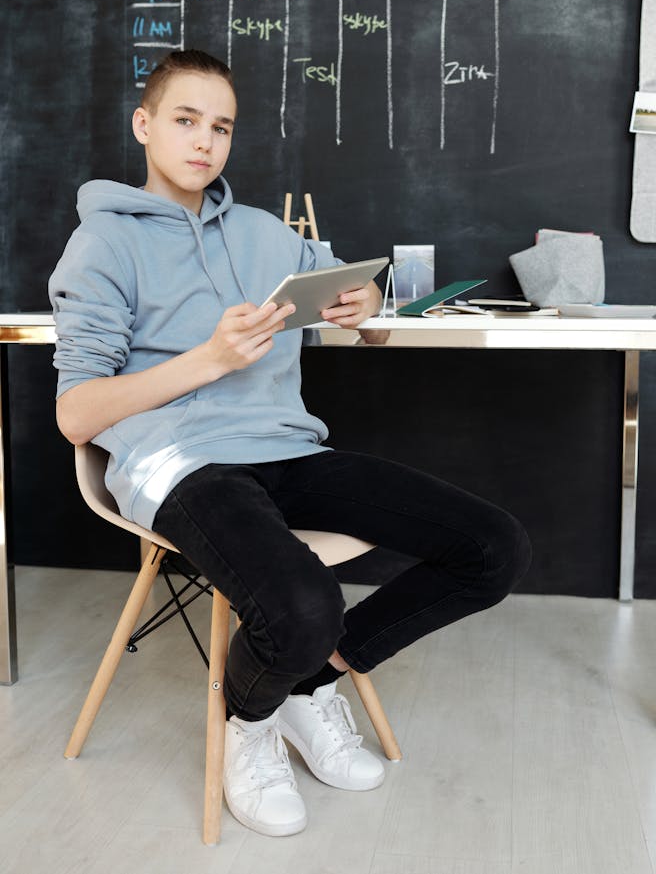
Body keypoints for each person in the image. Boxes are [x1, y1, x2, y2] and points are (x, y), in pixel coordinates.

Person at [49, 49, 531, 838]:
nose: (204, 141)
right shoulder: (101, 245)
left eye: (221, 127)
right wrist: (208, 358)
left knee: (494, 547)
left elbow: (355, 283)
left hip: (288, 451)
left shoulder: (263, 232)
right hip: (179, 465)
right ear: (143, 125)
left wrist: (358, 298)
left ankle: (311, 686)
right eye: (185, 120)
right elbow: (76, 414)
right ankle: (249, 723)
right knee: (303, 603)